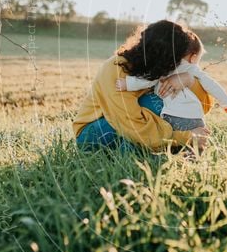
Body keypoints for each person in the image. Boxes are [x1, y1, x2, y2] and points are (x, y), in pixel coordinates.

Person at [73, 20, 213, 153]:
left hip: (131, 128)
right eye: (178, 61)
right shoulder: (116, 70)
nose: (178, 66)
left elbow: (200, 108)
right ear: (164, 57)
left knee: (170, 102)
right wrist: (187, 137)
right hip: (92, 135)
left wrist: (188, 80)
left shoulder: (158, 70)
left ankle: (146, 148)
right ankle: (150, 148)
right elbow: (132, 125)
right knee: (156, 102)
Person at [115, 30, 227, 131]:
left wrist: (128, 84)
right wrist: (226, 103)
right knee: (196, 145)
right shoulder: (193, 69)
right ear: (193, 58)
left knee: (173, 141)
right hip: (195, 117)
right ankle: (193, 156)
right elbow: (212, 85)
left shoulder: (166, 66)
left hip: (171, 116)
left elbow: (148, 80)